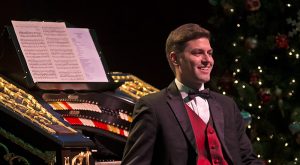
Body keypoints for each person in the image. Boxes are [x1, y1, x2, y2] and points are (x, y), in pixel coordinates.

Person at [121, 23, 263, 165]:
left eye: (209, 53)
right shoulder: (153, 107)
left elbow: (248, 159)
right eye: (198, 53)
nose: (208, 60)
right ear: (175, 58)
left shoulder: (227, 105)